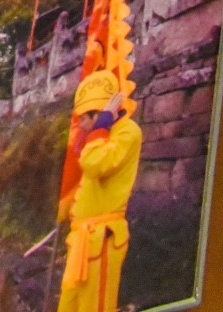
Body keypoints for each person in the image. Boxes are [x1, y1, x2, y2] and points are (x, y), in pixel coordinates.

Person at [56, 71, 142, 312]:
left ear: (101, 114)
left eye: (85, 118)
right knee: (69, 305)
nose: (81, 125)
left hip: (102, 240)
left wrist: (101, 127)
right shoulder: (99, 137)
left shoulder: (127, 132)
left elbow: (95, 164)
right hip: (82, 242)